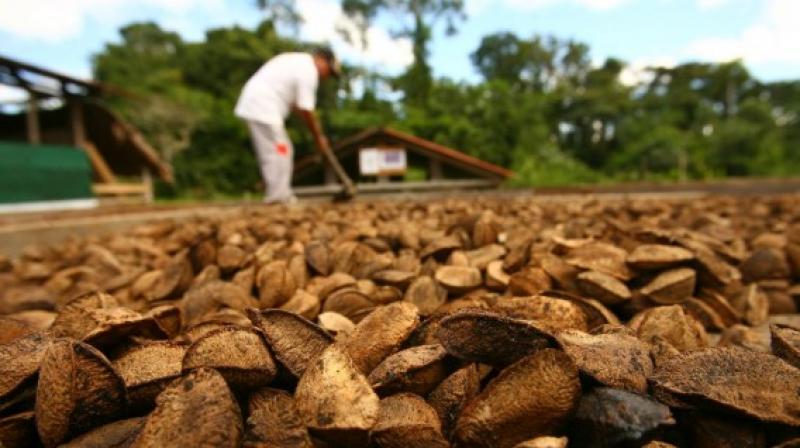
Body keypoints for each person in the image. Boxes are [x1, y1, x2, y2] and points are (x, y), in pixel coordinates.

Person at [235, 48, 341, 203]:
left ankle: (279, 194)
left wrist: (314, 131)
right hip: (263, 107)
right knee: (280, 151)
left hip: (259, 105)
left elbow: (298, 107)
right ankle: (278, 197)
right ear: (321, 59)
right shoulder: (308, 71)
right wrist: (318, 137)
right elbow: (306, 109)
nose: (326, 77)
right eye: (329, 72)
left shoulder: (298, 62)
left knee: (280, 150)